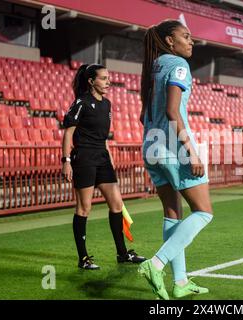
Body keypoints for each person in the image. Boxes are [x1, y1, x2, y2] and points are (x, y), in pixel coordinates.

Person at [137, 19, 213, 300]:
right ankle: (155, 264)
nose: (191, 41)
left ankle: (180, 282)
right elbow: (172, 112)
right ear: (170, 40)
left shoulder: (153, 68)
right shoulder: (179, 65)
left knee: (173, 213)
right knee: (204, 212)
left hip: (150, 146)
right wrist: (190, 151)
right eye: (186, 36)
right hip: (172, 147)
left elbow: (144, 116)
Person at [62, 64, 145, 270]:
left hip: (102, 157)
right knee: (84, 208)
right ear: (91, 81)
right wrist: (66, 161)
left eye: (108, 78)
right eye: (103, 78)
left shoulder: (107, 104)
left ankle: (122, 254)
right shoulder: (81, 103)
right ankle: (83, 259)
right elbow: (68, 134)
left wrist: (110, 158)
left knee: (117, 204)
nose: (108, 82)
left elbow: (104, 137)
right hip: (84, 158)